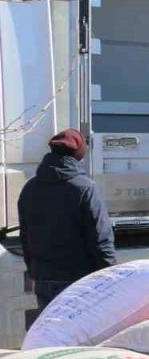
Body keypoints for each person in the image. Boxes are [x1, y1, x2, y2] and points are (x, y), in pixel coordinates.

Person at [18, 129, 116, 318]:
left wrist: (33, 271)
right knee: (79, 334)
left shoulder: (30, 188)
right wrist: (110, 276)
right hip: (78, 279)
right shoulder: (85, 188)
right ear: (79, 154)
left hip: (43, 276)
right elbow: (101, 239)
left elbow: (25, 237)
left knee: (50, 331)